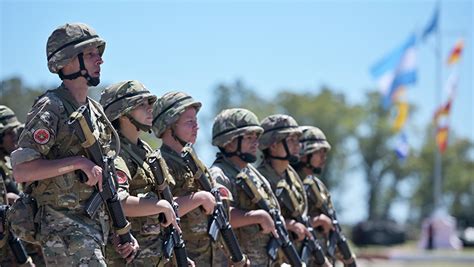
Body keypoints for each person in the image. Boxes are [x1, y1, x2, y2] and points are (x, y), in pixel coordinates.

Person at [11, 22, 138, 266]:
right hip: (64, 232)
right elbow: (22, 170)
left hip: (94, 233)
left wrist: (121, 230)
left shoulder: (96, 112)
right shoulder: (51, 107)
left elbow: (106, 181)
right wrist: (77, 163)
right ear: (66, 60)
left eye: (98, 54)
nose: (99, 60)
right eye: (90, 54)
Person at [99, 80, 186, 266]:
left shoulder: (145, 151)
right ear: (122, 113)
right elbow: (118, 201)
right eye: (141, 105)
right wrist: (160, 205)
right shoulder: (116, 154)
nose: (149, 110)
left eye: (150, 105)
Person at [153, 92, 241, 266]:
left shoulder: (195, 163)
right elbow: (157, 211)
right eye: (189, 122)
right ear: (169, 126)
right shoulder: (159, 163)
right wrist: (198, 199)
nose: (196, 127)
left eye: (196, 121)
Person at [209, 108, 285, 266]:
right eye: (249, 137)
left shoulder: (252, 173)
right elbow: (220, 215)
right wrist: (258, 216)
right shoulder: (219, 175)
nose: (255, 143)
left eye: (257, 137)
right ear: (229, 143)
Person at [257, 114, 332, 266]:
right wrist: (288, 224)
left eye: (297, 139)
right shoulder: (259, 180)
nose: (298, 145)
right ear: (273, 145)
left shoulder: (293, 178)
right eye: (291, 140)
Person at [293, 126, 356, 266]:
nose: (323, 157)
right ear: (304, 153)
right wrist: (317, 221)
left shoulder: (317, 185)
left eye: (324, 153)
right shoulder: (292, 184)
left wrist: (345, 255)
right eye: (318, 152)